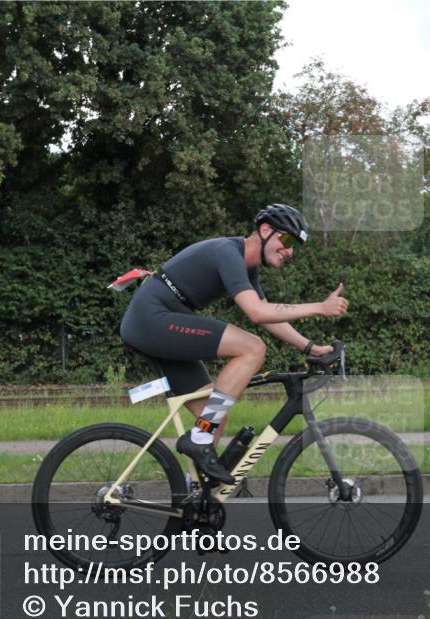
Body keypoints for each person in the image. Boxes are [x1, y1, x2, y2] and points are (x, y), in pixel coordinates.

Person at [119, 204, 348, 484]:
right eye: (287, 240)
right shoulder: (228, 253)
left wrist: (310, 348)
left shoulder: (246, 266)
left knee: (213, 413)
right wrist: (320, 307)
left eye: (294, 246)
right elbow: (256, 313)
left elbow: (267, 316)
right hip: (151, 318)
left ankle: (196, 499)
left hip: (160, 319)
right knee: (252, 348)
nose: (290, 251)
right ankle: (200, 442)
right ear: (265, 230)